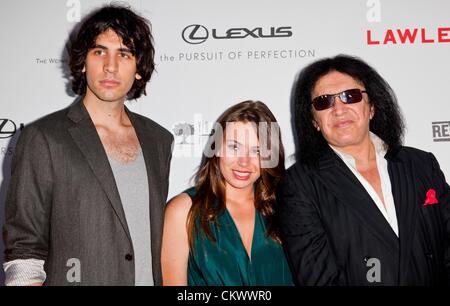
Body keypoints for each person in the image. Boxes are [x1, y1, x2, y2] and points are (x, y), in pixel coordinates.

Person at [2, 5, 173, 286]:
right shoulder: (43, 138)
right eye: (99, 51)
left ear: (138, 68)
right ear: (83, 62)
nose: (110, 65)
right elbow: (24, 249)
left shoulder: (159, 140)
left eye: (124, 53)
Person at [278, 54, 450, 286]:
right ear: (314, 121)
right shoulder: (300, 184)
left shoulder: (421, 165)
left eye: (351, 96)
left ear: (371, 107)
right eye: (324, 101)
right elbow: (318, 279)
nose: (339, 109)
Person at [161, 101, 293, 285]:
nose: (244, 162)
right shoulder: (182, 211)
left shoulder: (287, 206)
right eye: (234, 147)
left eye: (256, 151)